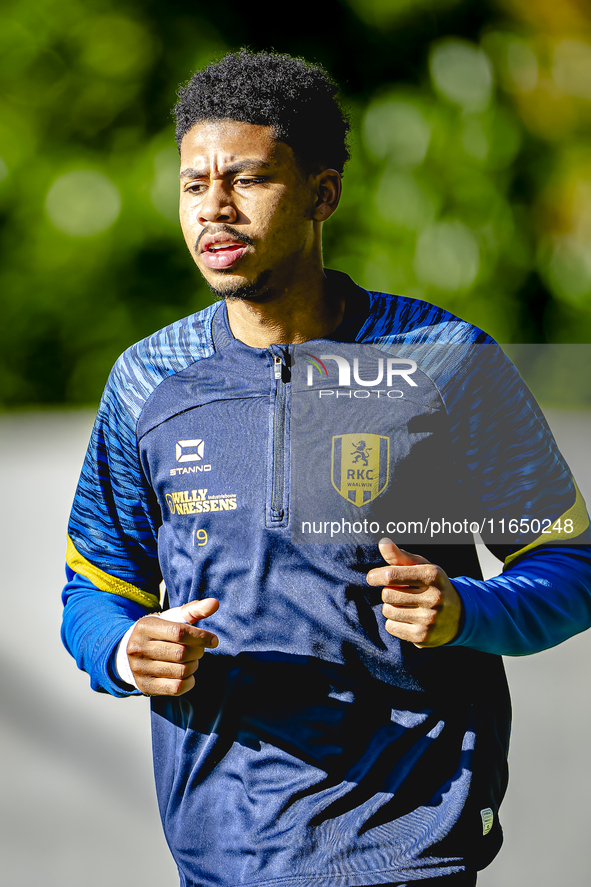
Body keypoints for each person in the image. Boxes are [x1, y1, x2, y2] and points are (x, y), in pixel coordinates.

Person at [61, 50, 591, 887]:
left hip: (412, 838)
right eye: (194, 185)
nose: (215, 208)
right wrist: (126, 649)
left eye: (247, 179)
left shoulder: (445, 361)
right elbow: (94, 582)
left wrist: (466, 611)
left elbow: (569, 564)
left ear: (321, 194)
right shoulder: (145, 382)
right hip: (221, 850)